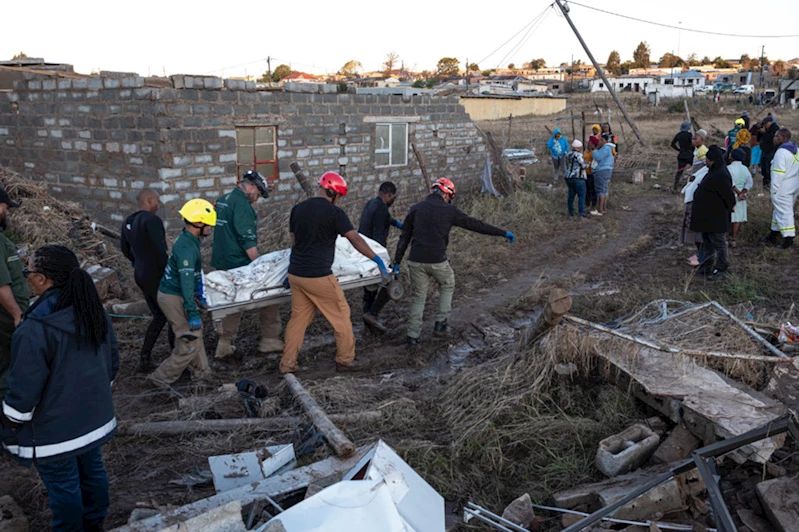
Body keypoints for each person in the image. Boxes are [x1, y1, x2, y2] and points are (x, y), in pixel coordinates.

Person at [1, 245, 118, 532]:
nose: (27, 278)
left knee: (64, 488)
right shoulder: (91, 310)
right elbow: (111, 362)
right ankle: (95, 524)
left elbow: (25, 388)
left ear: (42, 279)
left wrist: (11, 420)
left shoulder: (35, 327)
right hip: (94, 420)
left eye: (28, 272)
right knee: (93, 473)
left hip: (56, 433)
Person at [280, 172, 389, 374]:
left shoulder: (298, 209)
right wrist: (376, 259)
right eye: (339, 196)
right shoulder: (334, 213)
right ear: (332, 192)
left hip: (296, 274)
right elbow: (354, 239)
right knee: (341, 315)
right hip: (318, 275)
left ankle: (287, 364)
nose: (338, 201)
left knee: (298, 319)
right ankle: (345, 360)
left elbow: (294, 242)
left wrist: (291, 270)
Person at [394, 178, 514, 347]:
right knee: (447, 283)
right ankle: (441, 325)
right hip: (437, 260)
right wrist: (502, 233)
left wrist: (397, 262)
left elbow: (404, 237)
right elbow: (475, 225)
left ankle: (412, 336)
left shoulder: (416, 209)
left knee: (418, 297)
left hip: (415, 260)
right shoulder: (449, 211)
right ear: (446, 194)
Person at [211, 170, 282, 359]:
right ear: (251, 187)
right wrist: (261, 267)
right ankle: (270, 339)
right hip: (238, 262)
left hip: (222, 258)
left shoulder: (223, 199)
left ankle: (224, 340)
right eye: (258, 194)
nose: (257, 199)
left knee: (230, 299)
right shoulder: (243, 206)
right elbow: (247, 241)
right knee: (269, 294)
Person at [147, 199, 216, 388]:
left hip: (176, 293)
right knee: (189, 340)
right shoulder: (186, 248)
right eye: (209, 225)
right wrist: (192, 312)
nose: (210, 228)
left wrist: (199, 294)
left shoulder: (188, 239)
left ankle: (202, 374)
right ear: (199, 223)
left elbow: (193, 275)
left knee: (196, 334)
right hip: (173, 297)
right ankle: (160, 378)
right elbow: (185, 283)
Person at [121, 188, 174, 373]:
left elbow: (125, 250)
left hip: (141, 274)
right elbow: (161, 250)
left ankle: (145, 358)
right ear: (149, 200)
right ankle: (177, 359)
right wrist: (169, 271)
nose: (158, 206)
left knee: (159, 316)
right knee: (172, 315)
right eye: (157, 202)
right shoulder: (152, 221)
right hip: (156, 274)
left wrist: (138, 262)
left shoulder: (128, 221)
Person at [357, 181, 402, 332]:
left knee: (370, 290)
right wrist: (381, 261)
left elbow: (385, 220)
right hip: (373, 253)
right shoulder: (382, 208)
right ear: (389, 195)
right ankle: (372, 314)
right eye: (393, 197)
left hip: (362, 252)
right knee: (391, 283)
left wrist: (399, 224)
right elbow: (377, 238)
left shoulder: (372, 203)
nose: (393, 200)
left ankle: (368, 323)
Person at [690, 145, 736, 280]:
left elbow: (728, 196)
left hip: (716, 217)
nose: (706, 162)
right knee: (708, 242)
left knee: (719, 243)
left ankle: (722, 268)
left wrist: (731, 207)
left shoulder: (721, 174)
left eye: (708, 160)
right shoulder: (714, 171)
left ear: (713, 160)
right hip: (707, 216)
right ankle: (706, 266)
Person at [0, 186, 27, 400]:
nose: (6, 212)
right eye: (5, 207)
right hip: (5, 324)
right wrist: (18, 315)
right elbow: (1, 286)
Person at [760, 128, 799, 249]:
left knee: (784, 212)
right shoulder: (795, 150)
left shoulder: (781, 153)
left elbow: (778, 173)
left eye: (777, 136)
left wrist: (774, 189)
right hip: (793, 186)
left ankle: (788, 238)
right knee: (779, 211)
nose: (774, 138)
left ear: (784, 138)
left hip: (782, 188)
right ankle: (773, 234)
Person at [728, 148, 753, 247]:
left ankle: (725, 238)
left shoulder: (729, 168)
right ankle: (734, 239)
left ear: (731, 157)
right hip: (741, 197)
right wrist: (743, 192)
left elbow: (730, 182)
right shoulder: (745, 169)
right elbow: (749, 182)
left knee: (728, 218)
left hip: (731, 195)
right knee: (737, 219)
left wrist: (738, 192)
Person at [590, 134, 615, 216]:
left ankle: (600, 209)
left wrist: (595, 150)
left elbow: (598, 157)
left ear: (605, 141)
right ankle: (604, 209)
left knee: (600, 189)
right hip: (608, 170)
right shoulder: (610, 148)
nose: (599, 141)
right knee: (605, 189)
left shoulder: (605, 148)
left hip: (602, 170)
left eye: (601, 140)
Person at [564, 139, 588, 217]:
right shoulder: (579, 155)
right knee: (581, 195)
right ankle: (581, 212)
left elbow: (567, 164)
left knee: (571, 195)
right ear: (578, 147)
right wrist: (589, 164)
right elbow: (583, 166)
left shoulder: (568, 154)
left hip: (568, 177)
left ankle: (571, 212)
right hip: (578, 177)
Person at [671, 121, 694, 190]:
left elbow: (672, 144)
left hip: (681, 155)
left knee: (680, 171)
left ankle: (675, 185)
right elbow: (693, 144)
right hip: (689, 155)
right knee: (695, 169)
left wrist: (679, 149)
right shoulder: (689, 135)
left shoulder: (678, 135)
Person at [759, 115, 779, 188]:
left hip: (771, 151)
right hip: (764, 150)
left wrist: (764, 132)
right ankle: (765, 183)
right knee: (763, 167)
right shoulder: (766, 129)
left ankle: (769, 183)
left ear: (770, 122)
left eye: (766, 123)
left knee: (769, 168)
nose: (765, 125)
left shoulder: (775, 128)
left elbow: (771, 139)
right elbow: (760, 139)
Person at [584, 138, 598, 210]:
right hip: (586, 172)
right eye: (588, 143)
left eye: (591, 143)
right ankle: (587, 204)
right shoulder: (586, 151)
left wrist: (592, 150)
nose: (589, 144)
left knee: (593, 189)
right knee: (587, 189)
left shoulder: (595, 152)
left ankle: (594, 204)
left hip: (593, 172)